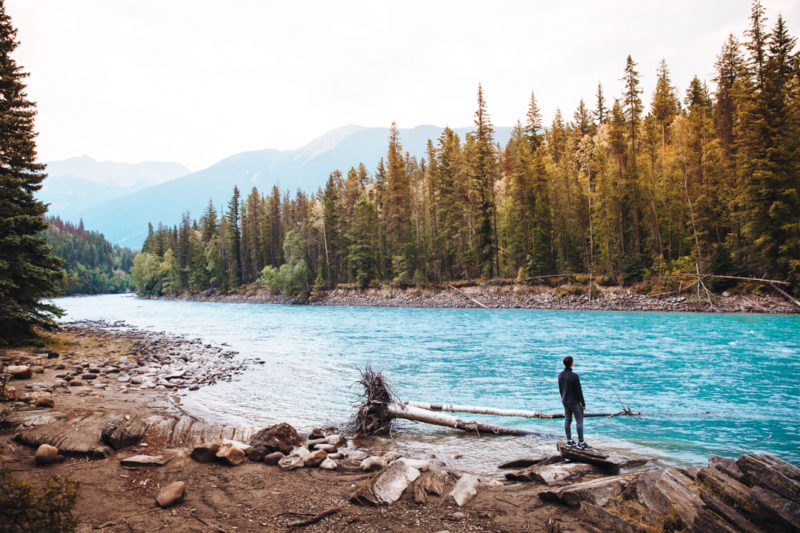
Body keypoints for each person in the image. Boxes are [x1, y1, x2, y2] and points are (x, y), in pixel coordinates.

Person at [558, 355, 591, 449]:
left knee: (568, 419)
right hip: (574, 401)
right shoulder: (574, 376)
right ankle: (581, 442)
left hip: (565, 400)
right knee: (579, 421)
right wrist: (583, 404)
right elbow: (578, 391)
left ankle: (569, 441)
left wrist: (563, 399)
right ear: (572, 364)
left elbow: (560, 389)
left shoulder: (560, 375)